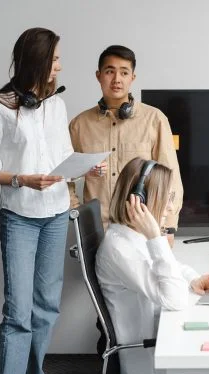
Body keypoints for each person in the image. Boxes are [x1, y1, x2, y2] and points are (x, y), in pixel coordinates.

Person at [0, 28, 73, 374]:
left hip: (58, 213)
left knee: (46, 309)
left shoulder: (56, 104)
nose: (59, 66)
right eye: (55, 58)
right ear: (37, 60)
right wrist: (22, 179)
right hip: (20, 216)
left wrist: (85, 166)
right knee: (18, 314)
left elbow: (63, 156)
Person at [95, 157, 209, 374]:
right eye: (167, 198)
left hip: (163, 342)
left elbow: (169, 266)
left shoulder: (131, 237)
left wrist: (194, 279)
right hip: (151, 364)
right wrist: (156, 236)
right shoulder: (120, 248)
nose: (171, 207)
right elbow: (174, 299)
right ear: (140, 200)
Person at [68, 45, 183, 237]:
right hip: (99, 231)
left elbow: (170, 178)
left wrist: (168, 227)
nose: (116, 79)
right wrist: (78, 213)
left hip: (142, 232)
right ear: (98, 75)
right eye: (110, 71)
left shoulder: (154, 120)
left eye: (124, 72)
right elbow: (65, 177)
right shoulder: (79, 125)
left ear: (132, 78)